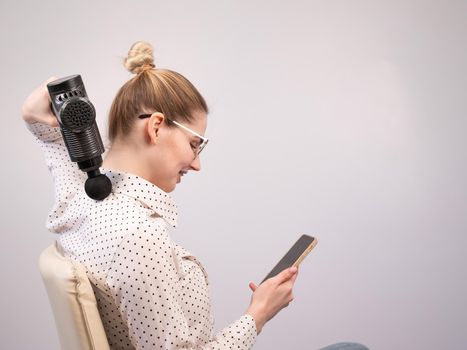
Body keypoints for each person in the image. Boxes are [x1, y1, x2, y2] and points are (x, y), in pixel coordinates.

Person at [22, 41, 368, 350]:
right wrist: (258, 314)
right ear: (156, 126)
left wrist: (39, 121)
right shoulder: (136, 234)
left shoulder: (81, 201)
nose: (197, 163)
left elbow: (54, 146)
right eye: (194, 144)